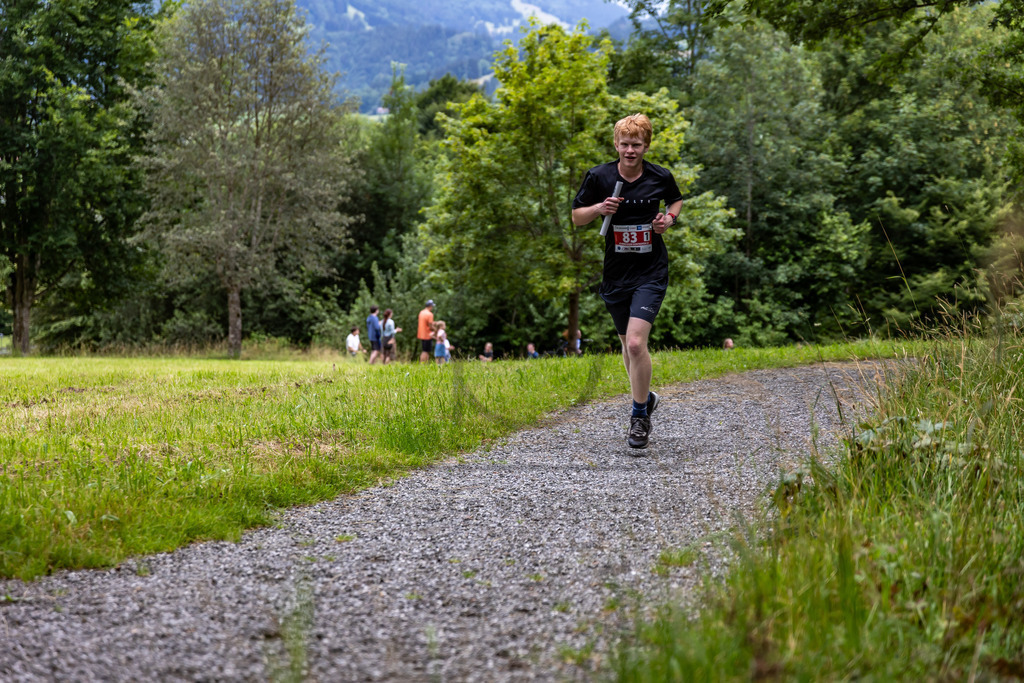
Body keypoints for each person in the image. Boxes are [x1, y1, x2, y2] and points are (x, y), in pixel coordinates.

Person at [571, 113, 683, 449]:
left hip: (650, 272)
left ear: (646, 146)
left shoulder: (660, 176)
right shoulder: (599, 176)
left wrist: (669, 220)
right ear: (616, 145)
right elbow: (577, 218)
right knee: (626, 344)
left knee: (635, 344)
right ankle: (645, 397)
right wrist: (600, 209)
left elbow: (675, 200)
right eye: (624, 144)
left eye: (636, 144)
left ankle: (639, 417)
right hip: (616, 273)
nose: (630, 150)